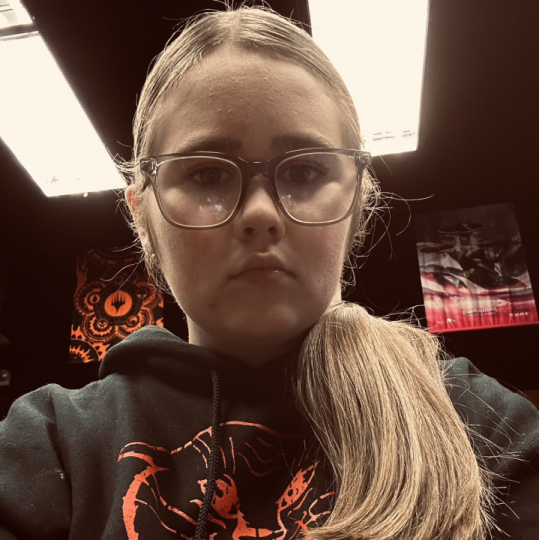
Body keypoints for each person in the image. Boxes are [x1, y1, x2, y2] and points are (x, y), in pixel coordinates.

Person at [0, 6, 537, 540]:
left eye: (305, 171)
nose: (260, 214)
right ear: (142, 215)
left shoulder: (477, 421)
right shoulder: (51, 445)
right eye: (207, 174)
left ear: (357, 204)